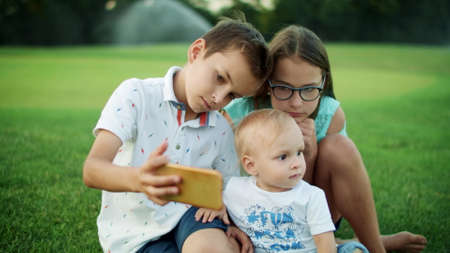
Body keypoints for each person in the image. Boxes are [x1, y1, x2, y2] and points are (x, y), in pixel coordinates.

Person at [223, 25, 427, 253]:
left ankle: (374, 245)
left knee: (339, 147)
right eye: (283, 88)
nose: (297, 103)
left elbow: (306, 194)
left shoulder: (329, 114)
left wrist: (309, 153)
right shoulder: (240, 114)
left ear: (323, 82)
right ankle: (343, 244)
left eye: (309, 89)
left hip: (316, 209)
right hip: (256, 217)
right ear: (267, 82)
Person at [82, 17, 272, 253]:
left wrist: (229, 219)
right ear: (196, 51)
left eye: (232, 95)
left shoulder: (221, 129)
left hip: (195, 216)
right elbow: (92, 169)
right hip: (136, 235)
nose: (219, 98)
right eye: (220, 78)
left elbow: (225, 189)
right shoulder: (136, 95)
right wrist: (138, 179)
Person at [223, 108, 369, 253]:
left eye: (299, 152)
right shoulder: (234, 190)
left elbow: (324, 243)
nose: (296, 163)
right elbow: (215, 206)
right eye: (283, 157)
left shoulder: (311, 197)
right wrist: (229, 225)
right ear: (251, 165)